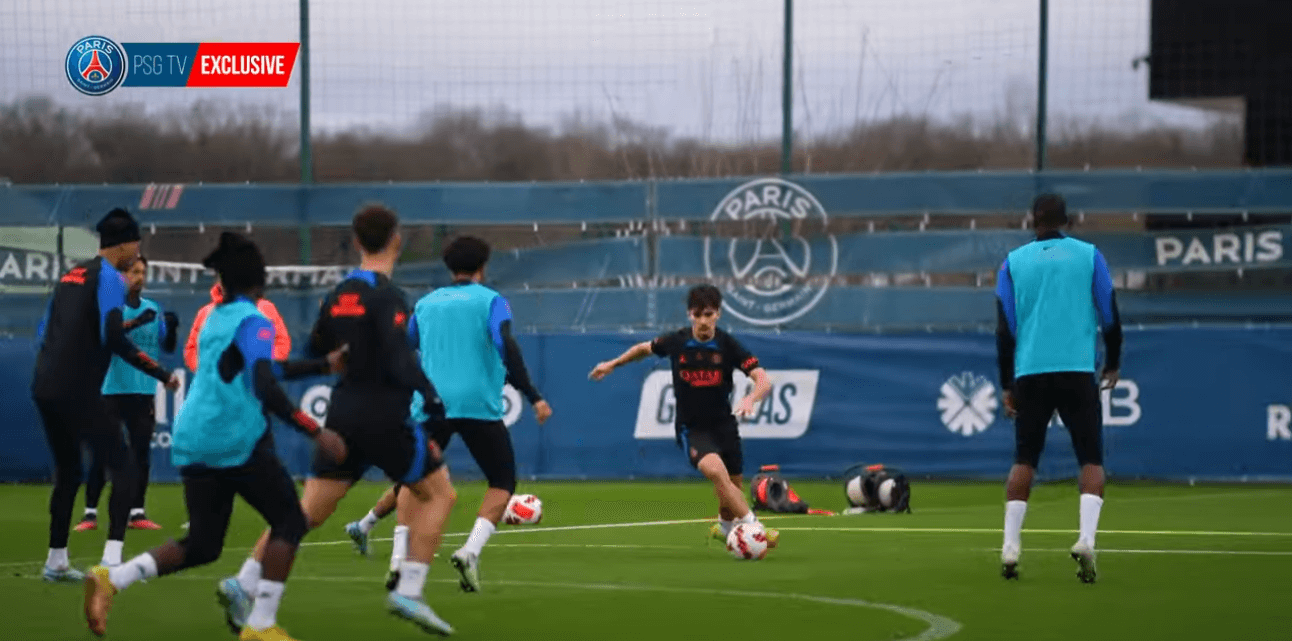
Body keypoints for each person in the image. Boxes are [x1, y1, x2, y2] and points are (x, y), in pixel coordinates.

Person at [82, 231, 348, 641]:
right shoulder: (255, 320)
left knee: (204, 546)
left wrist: (320, 367)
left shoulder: (214, 318)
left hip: (195, 437)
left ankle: (113, 578)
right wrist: (315, 430)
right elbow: (263, 383)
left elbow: (256, 368)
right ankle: (261, 625)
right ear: (258, 281)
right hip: (234, 439)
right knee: (290, 521)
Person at [225, 204, 457, 636]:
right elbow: (396, 355)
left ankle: (243, 581)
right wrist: (430, 393)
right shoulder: (388, 295)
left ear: (355, 241)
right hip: (385, 417)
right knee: (439, 495)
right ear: (396, 241)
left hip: (341, 417)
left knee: (307, 512)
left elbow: (315, 348)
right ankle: (409, 588)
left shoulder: (339, 293)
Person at [380, 235, 551, 595]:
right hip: (476, 404)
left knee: (414, 479)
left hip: (429, 404)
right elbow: (506, 345)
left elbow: (402, 346)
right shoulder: (492, 301)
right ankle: (470, 551)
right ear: (483, 266)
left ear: (448, 266)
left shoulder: (426, 304)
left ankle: (398, 558)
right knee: (503, 480)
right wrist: (532, 395)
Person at [31, 208, 180, 581]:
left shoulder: (70, 274)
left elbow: (44, 332)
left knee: (68, 472)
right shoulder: (111, 279)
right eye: (137, 244)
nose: (138, 252)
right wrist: (160, 373)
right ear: (127, 244)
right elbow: (114, 338)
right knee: (126, 468)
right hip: (77, 388)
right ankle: (113, 564)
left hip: (45, 385)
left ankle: (56, 561)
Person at [589, 284, 779, 549]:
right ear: (689, 314)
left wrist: (750, 398)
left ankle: (725, 529)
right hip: (692, 428)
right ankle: (756, 528)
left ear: (718, 314)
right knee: (717, 473)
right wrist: (612, 364)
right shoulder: (677, 341)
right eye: (697, 315)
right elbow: (643, 349)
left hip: (724, 426)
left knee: (731, 489)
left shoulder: (727, 345)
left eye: (709, 314)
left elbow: (763, 379)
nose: (703, 321)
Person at [994, 193, 1123, 584]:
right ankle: (1086, 539)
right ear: (1067, 220)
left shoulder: (1013, 263)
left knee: (1024, 459)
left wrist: (1007, 384)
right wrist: (1113, 361)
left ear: (1032, 221)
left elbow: (1005, 329)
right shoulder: (1090, 256)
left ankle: (1011, 547)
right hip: (1077, 368)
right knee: (1091, 459)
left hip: (1031, 370)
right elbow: (1110, 314)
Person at [77, 255, 179, 532]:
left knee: (141, 453)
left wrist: (172, 328)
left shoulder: (152, 308)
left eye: (143, 272)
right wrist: (135, 323)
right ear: (122, 276)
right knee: (101, 453)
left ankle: (137, 512)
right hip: (110, 389)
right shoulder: (111, 308)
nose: (140, 277)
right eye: (134, 272)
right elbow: (107, 338)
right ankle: (89, 513)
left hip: (143, 391)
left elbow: (166, 346)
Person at [187, 276, 290, 371]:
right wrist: (209, 372)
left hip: (254, 384)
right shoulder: (206, 312)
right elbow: (192, 349)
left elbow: (281, 342)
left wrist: (263, 368)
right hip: (217, 386)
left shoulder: (266, 309)